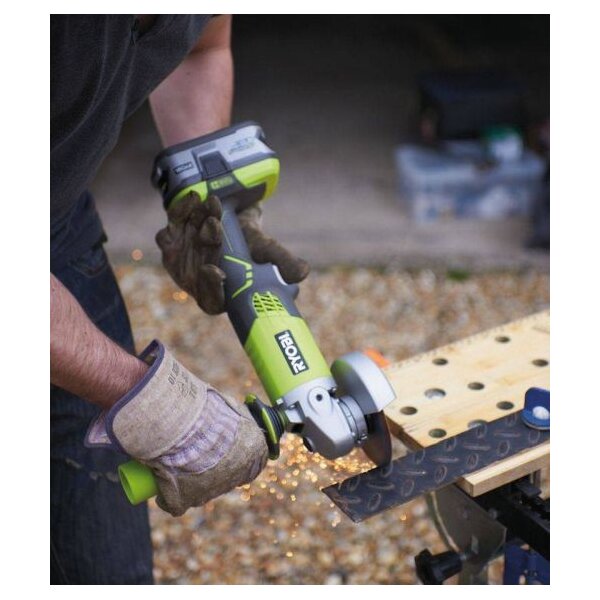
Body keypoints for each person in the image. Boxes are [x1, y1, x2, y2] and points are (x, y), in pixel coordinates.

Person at [50, 15, 309, 585]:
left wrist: (209, 201)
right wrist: (154, 404)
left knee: (102, 558)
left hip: (54, 217)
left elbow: (200, 50)